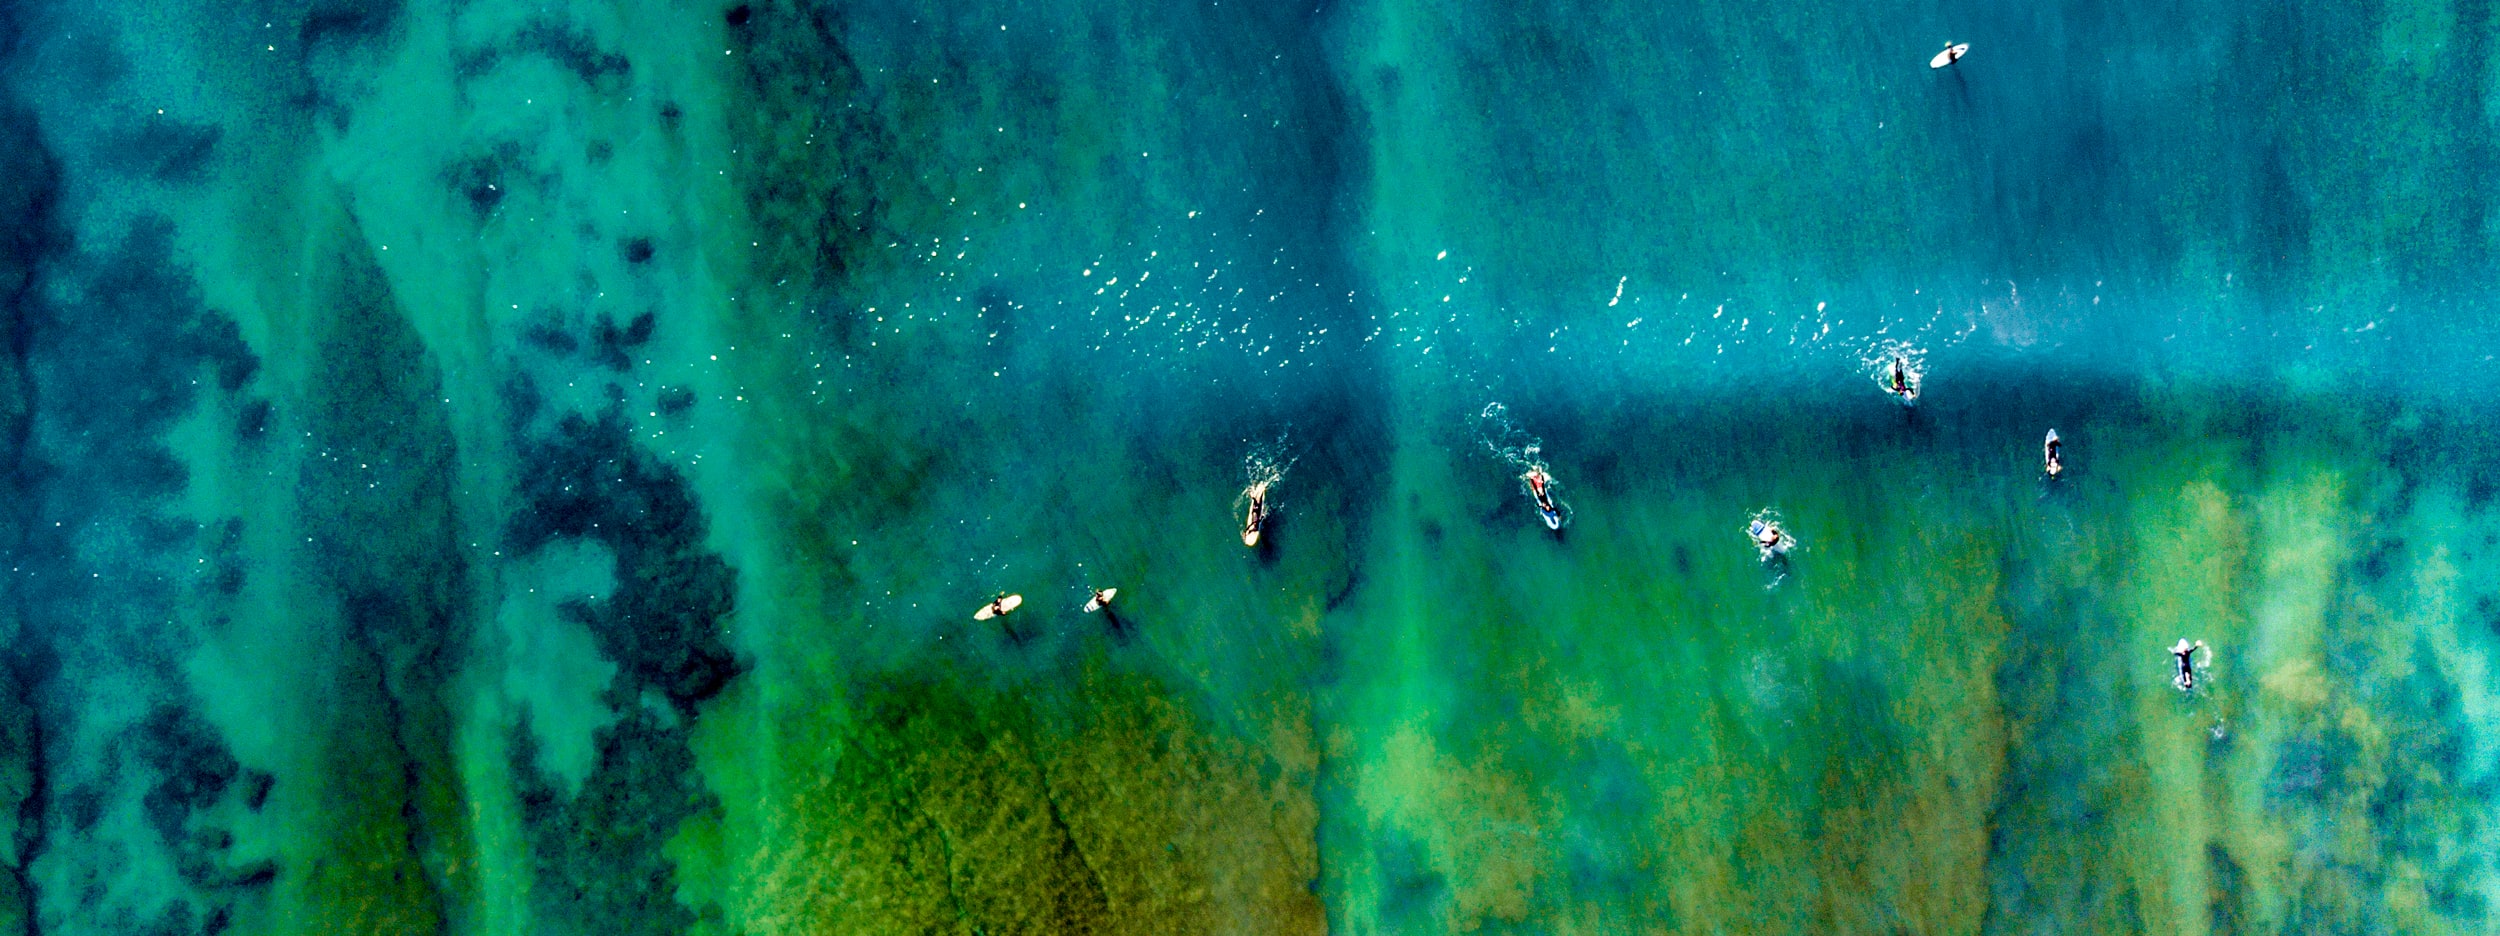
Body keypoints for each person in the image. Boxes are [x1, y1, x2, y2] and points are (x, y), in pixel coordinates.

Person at [1241, 481, 1269, 546]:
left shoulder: (1251, 523)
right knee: (1260, 498)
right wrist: (1262, 517)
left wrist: (1253, 499)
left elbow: (1252, 511)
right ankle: (1259, 489)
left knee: (1257, 504)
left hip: (1255, 514)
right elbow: (1258, 521)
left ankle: (1257, 490)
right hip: (1256, 515)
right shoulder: (1254, 526)